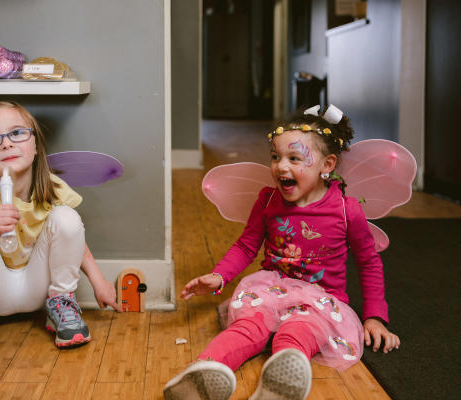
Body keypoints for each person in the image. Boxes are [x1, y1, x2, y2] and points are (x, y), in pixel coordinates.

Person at [163, 105, 400, 400]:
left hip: (320, 301)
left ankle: (279, 387)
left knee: (298, 332)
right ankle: (201, 374)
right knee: (247, 327)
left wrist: (375, 316)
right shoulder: (268, 200)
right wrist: (219, 276)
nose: (281, 167)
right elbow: (246, 245)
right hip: (270, 289)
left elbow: (368, 263)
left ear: (326, 165)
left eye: (294, 158)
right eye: (275, 157)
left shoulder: (345, 209)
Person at [0, 101, 121, 360]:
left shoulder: (53, 189)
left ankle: (62, 302)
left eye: (17, 133)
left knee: (67, 217)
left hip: (38, 288)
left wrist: (98, 281)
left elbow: (72, 239)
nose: (6, 144)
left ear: (36, 146)